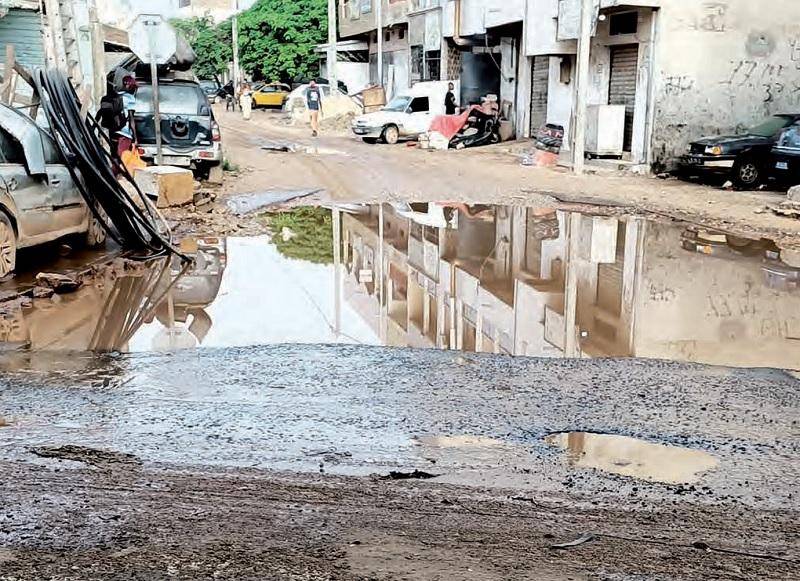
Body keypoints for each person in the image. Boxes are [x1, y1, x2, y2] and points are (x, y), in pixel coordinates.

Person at [115, 75, 138, 171]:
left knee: (116, 156)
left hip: (114, 131)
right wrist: (135, 138)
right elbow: (131, 119)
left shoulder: (117, 95)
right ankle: (114, 177)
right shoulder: (130, 99)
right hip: (125, 132)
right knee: (123, 158)